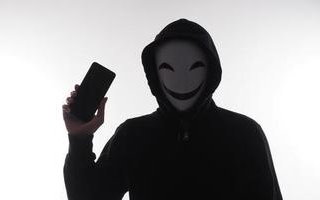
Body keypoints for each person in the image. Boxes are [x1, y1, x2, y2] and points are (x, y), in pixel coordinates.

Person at [62, 19, 282, 200]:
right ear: (155, 75)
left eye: (195, 67)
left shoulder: (244, 133)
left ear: (211, 72)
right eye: (168, 68)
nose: (182, 80)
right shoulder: (133, 135)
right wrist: (79, 139)